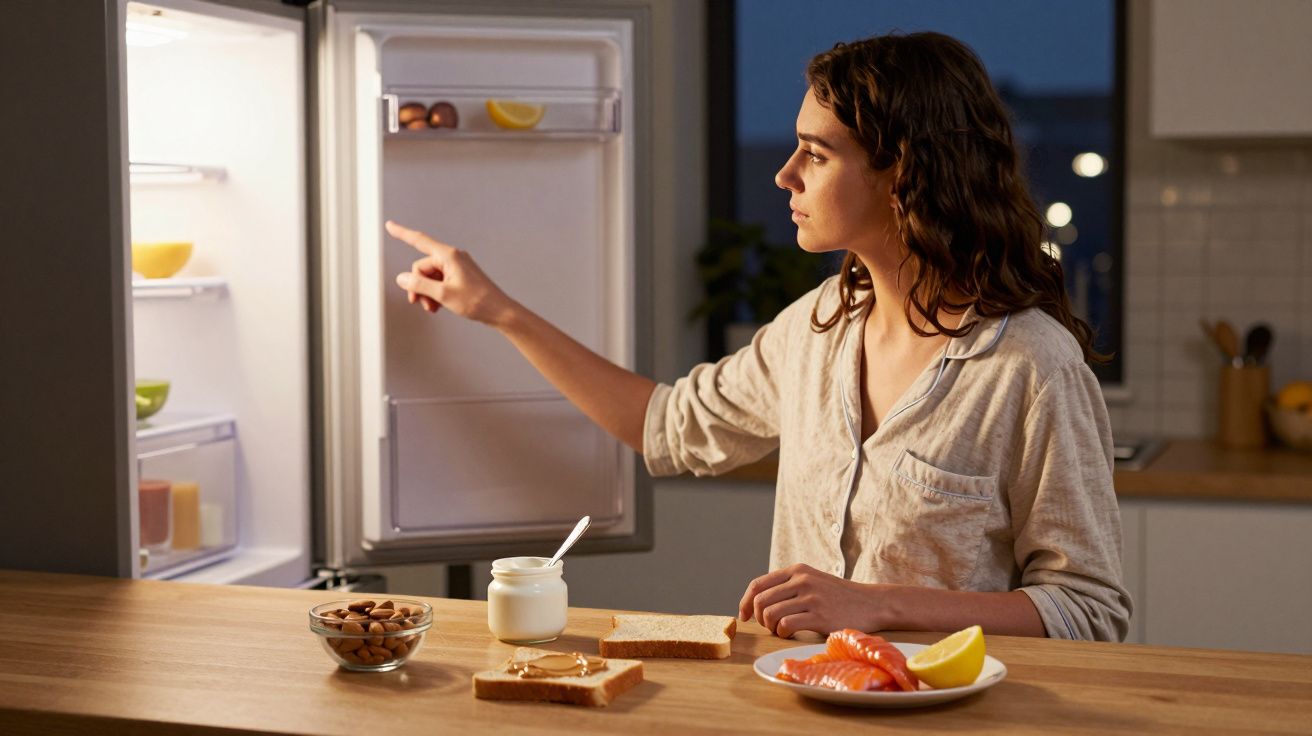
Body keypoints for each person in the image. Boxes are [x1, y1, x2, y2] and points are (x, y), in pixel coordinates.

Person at [387, 31, 1131, 642]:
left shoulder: (1028, 364)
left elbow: (1090, 611)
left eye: (817, 152)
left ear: (902, 171)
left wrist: (879, 604)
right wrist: (498, 310)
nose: (783, 175)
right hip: (801, 705)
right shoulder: (816, 329)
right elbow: (664, 428)